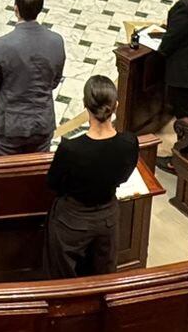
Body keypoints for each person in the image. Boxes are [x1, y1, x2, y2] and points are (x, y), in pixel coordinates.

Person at [43, 75, 139, 277]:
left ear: (85, 105)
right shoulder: (129, 143)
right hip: (107, 217)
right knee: (103, 275)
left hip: (72, 218)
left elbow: (53, 183)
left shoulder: (71, 149)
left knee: (63, 276)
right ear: (116, 106)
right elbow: (123, 177)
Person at [0, 0, 64, 155]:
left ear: (16, 9)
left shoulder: (2, 45)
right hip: (42, 122)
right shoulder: (56, 41)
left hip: (8, 125)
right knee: (34, 177)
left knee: (1, 176)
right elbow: (55, 80)